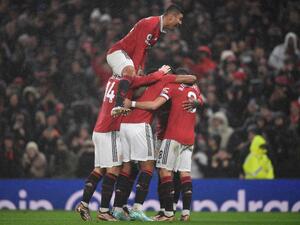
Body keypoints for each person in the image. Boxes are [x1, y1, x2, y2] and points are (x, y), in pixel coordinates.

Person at [75, 65, 171, 221]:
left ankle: (85, 204)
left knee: (101, 169)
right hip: (110, 129)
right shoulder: (129, 82)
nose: (136, 73)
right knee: (115, 168)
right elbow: (148, 81)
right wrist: (161, 72)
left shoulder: (113, 81)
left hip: (100, 128)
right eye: (135, 70)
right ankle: (105, 210)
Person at [112, 69, 196, 221]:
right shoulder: (166, 80)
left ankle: (117, 208)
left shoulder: (135, 83)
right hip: (140, 126)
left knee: (127, 166)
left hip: (124, 125)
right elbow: (192, 78)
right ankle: (138, 208)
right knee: (149, 166)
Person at [107, 4, 184, 116]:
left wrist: (140, 68)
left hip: (126, 58)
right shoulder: (151, 24)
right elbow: (139, 49)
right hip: (118, 52)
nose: (180, 23)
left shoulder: (157, 29)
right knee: (131, 73)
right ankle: (119, 104)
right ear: (171, 16)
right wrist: (135, 68)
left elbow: (144, 50)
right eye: (179, 19)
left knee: (136, 84)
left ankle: (120, 111)